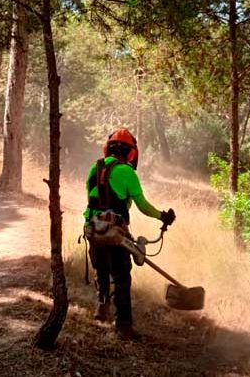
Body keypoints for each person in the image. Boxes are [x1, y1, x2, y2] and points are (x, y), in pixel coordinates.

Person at [84, 128, 176, 341]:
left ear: (108, 149)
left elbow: (91, 200)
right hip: (115, 232)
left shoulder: (94, 168)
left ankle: (101, 308)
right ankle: (123, 326)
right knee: (122, 277)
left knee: (102, 269)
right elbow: (143, 205)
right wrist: (162, 216)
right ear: (131, 152)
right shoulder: (127, 172)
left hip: (92, 228)